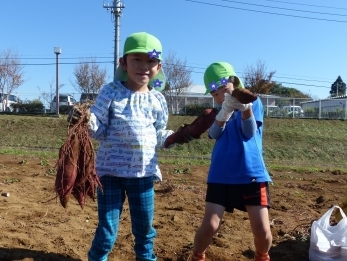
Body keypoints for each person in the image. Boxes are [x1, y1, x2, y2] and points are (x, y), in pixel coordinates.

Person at [76, 32, 175, 261]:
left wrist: (174, 137)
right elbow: (98, 128)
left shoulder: (158, 99)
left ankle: (145, 258)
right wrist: (84, 120)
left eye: (150, 61)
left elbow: (159, 132)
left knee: (144, 229)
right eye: (136, 60)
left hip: (143, 174)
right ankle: (97, 257)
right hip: (109, 174)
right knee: (107, 229)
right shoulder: (111, 91)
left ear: (158, 66)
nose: (143, 67)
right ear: (124, 63)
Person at [190, 62, 272, 261]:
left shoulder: (254, 102)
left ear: (233, 82)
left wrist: (245, 109)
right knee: (210, 225)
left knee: (262, 230)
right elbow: (214, 134)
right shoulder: (216, 110)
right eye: (214, 94)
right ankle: (196, 256)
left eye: (223, 90)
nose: (219, 97)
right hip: (221, 173)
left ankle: (262, 256)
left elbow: (248, 133)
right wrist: (224, 112)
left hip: (251, 172)